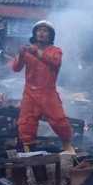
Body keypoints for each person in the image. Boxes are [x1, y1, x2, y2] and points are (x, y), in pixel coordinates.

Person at [12, 21, 75, 154]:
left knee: (59, 121)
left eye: (45, 30)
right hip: (29, 92)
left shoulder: (56, 51)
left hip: (48, 93)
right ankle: (29, 151)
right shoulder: (28, 51)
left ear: (50, 35)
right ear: (34, 33)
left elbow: (55, 62)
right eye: (39, 30)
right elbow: (16, 68)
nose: (41, 33)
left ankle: (68, 147)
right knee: (26, 123)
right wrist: (20, 55)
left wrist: (35, 52)